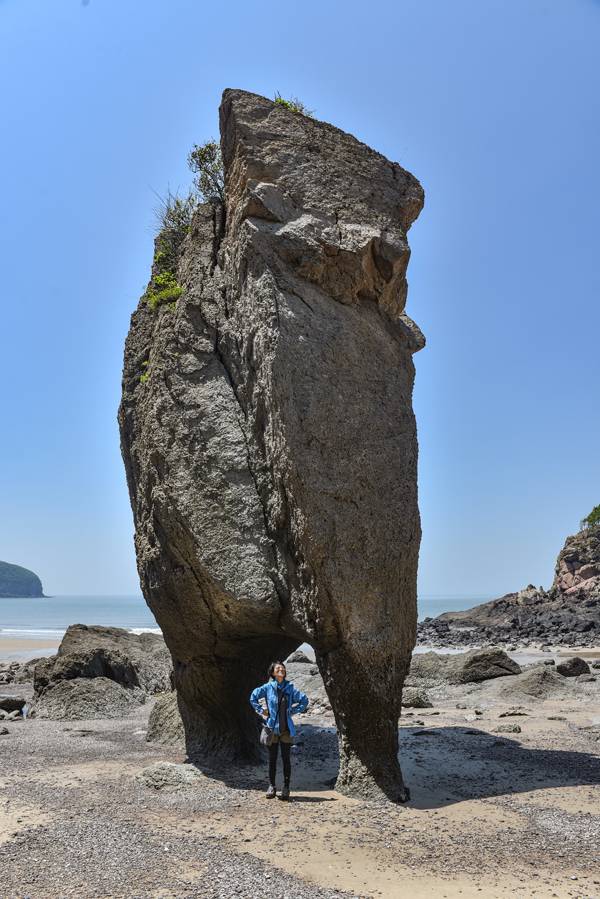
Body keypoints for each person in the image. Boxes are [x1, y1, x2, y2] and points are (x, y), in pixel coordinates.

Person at [249, 660, 309, 800]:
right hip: (272, 729)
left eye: (282, 668)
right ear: (273, 673)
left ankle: (286, 787)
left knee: (286, 759)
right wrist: (261, 710)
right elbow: (253, 697)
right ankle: (272, 786)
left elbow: (304, 700)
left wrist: (292, 711)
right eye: (278, 668)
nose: (281, 670)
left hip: (286, 730)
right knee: (272, 759)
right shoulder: (268, 687)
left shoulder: (290, 688)